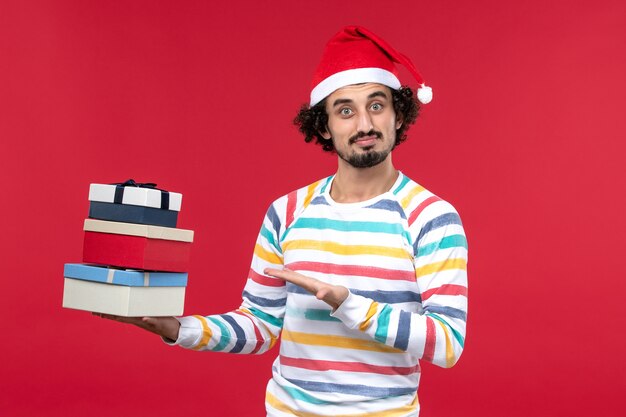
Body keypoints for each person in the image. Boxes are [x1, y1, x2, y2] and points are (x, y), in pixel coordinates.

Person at [98, 26, 468, 417]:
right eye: (345, 110)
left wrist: (348, 304)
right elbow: (260, 326)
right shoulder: (287, 212)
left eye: (376, 105)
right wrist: (176, 329)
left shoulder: (431, 217)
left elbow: (447, 344)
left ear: (397, 115)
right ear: (324, 126)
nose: (364, 124)